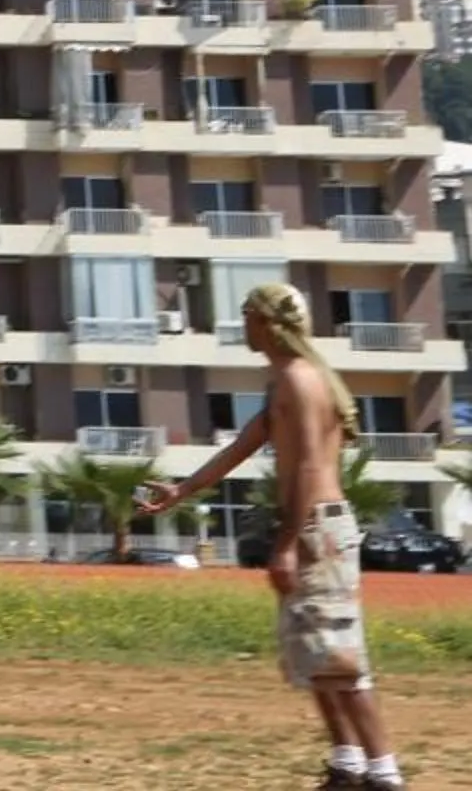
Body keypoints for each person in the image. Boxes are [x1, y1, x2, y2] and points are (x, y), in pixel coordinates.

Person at [137, 282, 401, 790]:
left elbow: (305, 467)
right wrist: (181, 490)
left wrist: (285, 543)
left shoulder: (301, 381)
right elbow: (242, 446)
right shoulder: (283, 381)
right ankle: (348, 763)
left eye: (247, 315)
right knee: (315, 657)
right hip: (311, 527)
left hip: (317, 529)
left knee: (341, 659)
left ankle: (385, 773)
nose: (243, 325)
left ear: (268, 324)